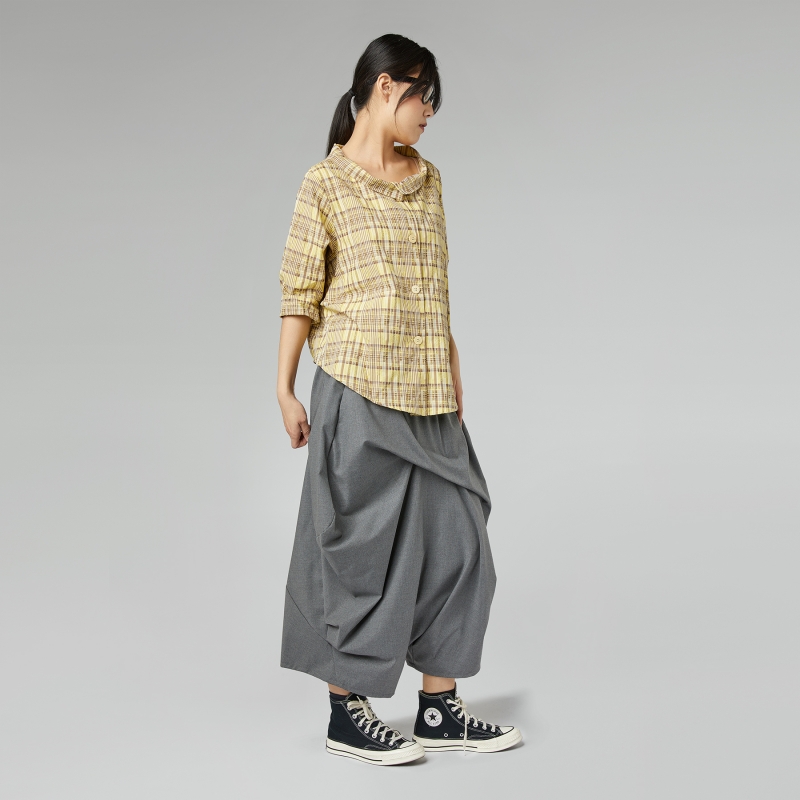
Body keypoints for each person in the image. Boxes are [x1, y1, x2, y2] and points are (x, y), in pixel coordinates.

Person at [276, 33, 521, 766]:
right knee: (356, 552)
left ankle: (439, 708)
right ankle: (346, 712)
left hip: (428, 392)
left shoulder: (428, 179)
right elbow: (300, 290)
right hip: (355, 387)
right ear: (387, 86)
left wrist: (451, 360)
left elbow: (434, 280)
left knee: (460, 543)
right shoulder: (324, 183)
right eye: (425, 97)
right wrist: (283, 388)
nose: (430, 113)